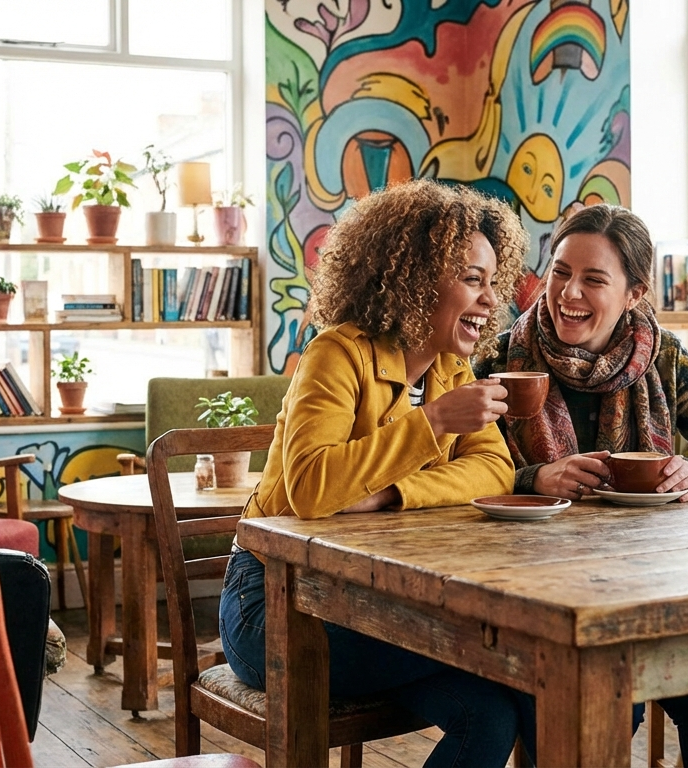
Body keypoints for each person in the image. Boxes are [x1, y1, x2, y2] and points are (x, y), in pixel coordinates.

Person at [219, 179, 530, 768]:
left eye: (493, 281)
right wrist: (433, 423)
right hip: (273, 605)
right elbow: (312, 489)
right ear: (416, 275)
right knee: (508, 656)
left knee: (490, 712)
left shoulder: (453, 368)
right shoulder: (337, 353)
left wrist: (391, 493)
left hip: (371, 600)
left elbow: (494, 470)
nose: (490, 300)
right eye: (471, 278)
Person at [474, 203, 688, 766]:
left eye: (593, 279)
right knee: (593, 716)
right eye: (560, 272)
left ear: (634, 293)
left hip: (647, 589)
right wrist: (536, 479)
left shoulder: (661, 359)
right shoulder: (498, 358)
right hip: (530, 599)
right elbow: (452, 471)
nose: (569, 294)